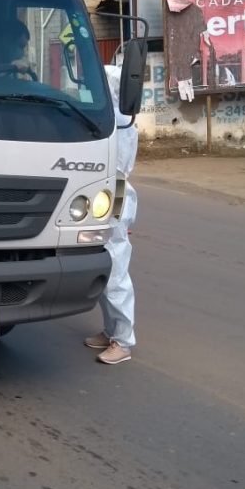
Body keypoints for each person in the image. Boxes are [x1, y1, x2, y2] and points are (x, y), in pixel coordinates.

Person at [84, 63, 138, 364]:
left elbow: (117, 168)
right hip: (105, 191)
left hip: (113, 192)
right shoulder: (110, 118)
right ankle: (109, 329)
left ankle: (123, 339)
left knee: (115, 266)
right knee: (102, 266)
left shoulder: (121, 122)